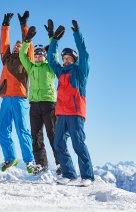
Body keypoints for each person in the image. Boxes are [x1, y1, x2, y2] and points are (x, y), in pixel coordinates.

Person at [47, 20, 95, 186]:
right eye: (64, 58)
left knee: (78, 143)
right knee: (58, 143)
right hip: (62, 113)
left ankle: (87, 176)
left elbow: (85, 54)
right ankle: (69, 174)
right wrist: (54, 40)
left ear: (74, 59)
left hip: (75, 113)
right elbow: (50, 59)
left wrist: (77, 34)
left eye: (68, 58)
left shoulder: (81, 73)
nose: (65, 60)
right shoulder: (60, 72)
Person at [19, 19, 60, 175]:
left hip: (49, 103)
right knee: (35, 136)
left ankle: (60, 163)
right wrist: (27, 40)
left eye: (40, 55)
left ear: (45, 56)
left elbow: (54, 53)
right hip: (34, 105)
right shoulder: (31, 67)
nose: (38, 57)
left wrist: (51, 36)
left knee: (53, 134)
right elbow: (23, 55)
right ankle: (41, 164)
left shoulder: (50, 67)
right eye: (36, 55)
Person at [0, 11, 35, 173]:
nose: (16, 47)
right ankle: (10, 157)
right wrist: (6, 25)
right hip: (6, 99)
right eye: (15, 46)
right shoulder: (7, 58)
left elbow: (29, 44)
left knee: (22, 130)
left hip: (20, 99)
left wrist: (23, 25)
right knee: (2, 129)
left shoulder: (26, 61)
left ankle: (29, 161)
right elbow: (4, 44)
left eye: (20, 47)